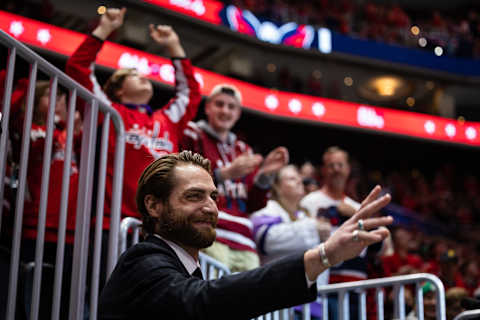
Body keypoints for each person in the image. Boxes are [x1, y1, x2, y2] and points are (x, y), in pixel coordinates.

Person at [98, 150, 393, 320]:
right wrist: (323, 255)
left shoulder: (184, 272)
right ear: (154, 205)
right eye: (194, 196)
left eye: (213, 196)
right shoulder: (143, 260)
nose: (210, 206)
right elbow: (203, 302)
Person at [65, 7, 201, 232]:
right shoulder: (106, 111)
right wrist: (104, 29)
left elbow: (191, 93)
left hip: (159, 227)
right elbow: (77, 68)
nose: (144, 78)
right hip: (111, 226)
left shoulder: (168, 119)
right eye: (134, 76)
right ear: (117, 90)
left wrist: (174, 47)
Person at [180, 84, 288, 272]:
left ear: (238, 114)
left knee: (249, 301)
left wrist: (265, 176)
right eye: (219, 104)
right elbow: (183, 183)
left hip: (245, 242)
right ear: (207, 107)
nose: (225, 111)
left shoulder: (243, 149)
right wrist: (225, 174)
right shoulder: (192, 134)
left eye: (231, 107)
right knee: (212, 298)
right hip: (209, 233)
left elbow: (253, 204)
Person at [300, 146, 382, 319]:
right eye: (331, 165)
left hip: (357, 287)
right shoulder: (309, 202)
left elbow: (379, 243)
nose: (336, 170)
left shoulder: (356, 206)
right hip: (324, 286)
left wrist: (354, 215)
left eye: (340, 165)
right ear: (323, 170)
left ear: (348, 169)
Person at [251, 164, 330, 319]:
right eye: (292, 178)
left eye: (299, 177)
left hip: (314, 303)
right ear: (277, 187)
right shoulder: (268, 208)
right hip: (281, 301)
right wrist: (313, 229)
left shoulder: (305, 216)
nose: (299, 181)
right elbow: (265, 238)